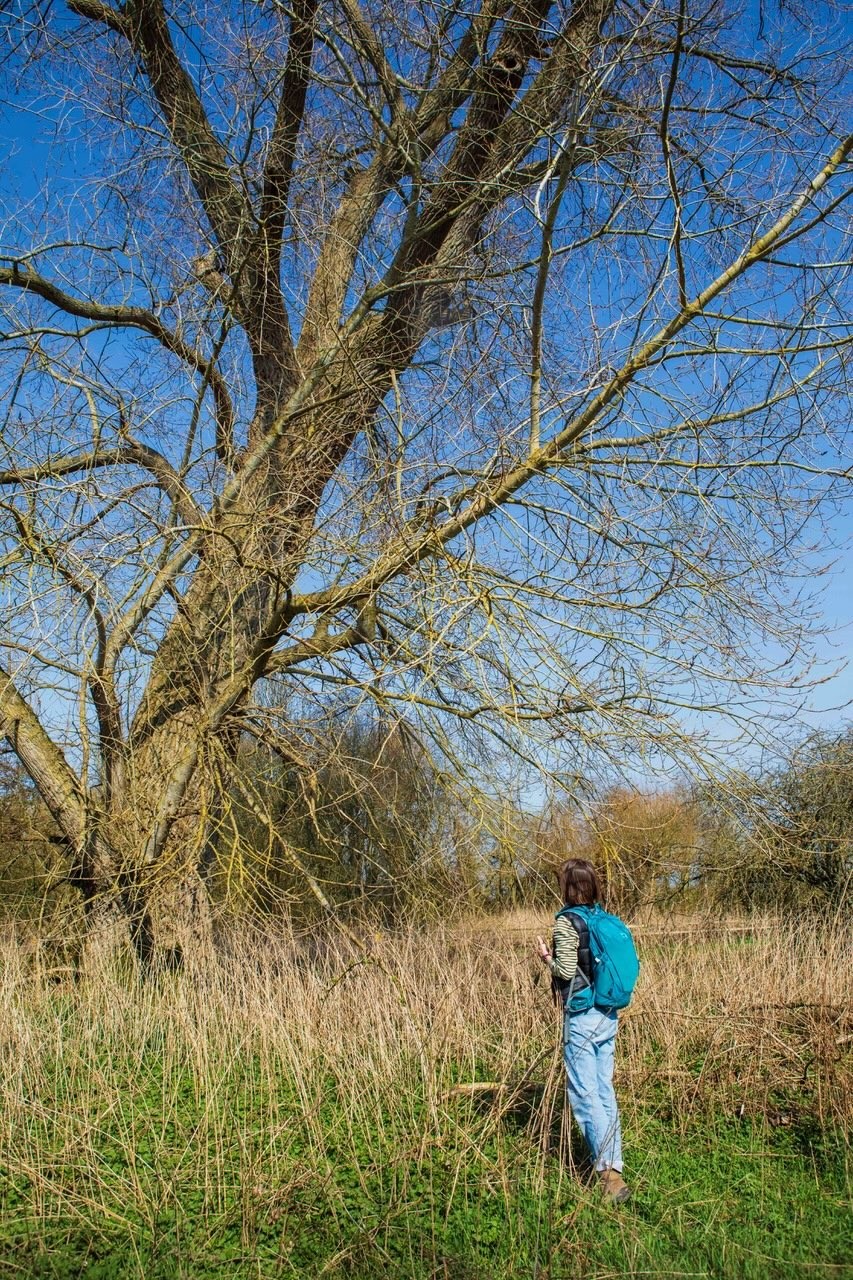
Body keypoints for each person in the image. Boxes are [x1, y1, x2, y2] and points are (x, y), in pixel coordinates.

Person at [535, 858, 631, 1204]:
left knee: (584, 1093)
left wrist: (545, 957)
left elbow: (564, 969)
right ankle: (615, 1164)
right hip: (609, 1014)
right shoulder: (602, 917)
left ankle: (608, 1177)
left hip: (582, 1016)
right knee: (604, 1089)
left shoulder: (566, 922)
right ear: (591, 886)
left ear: (567, 887)